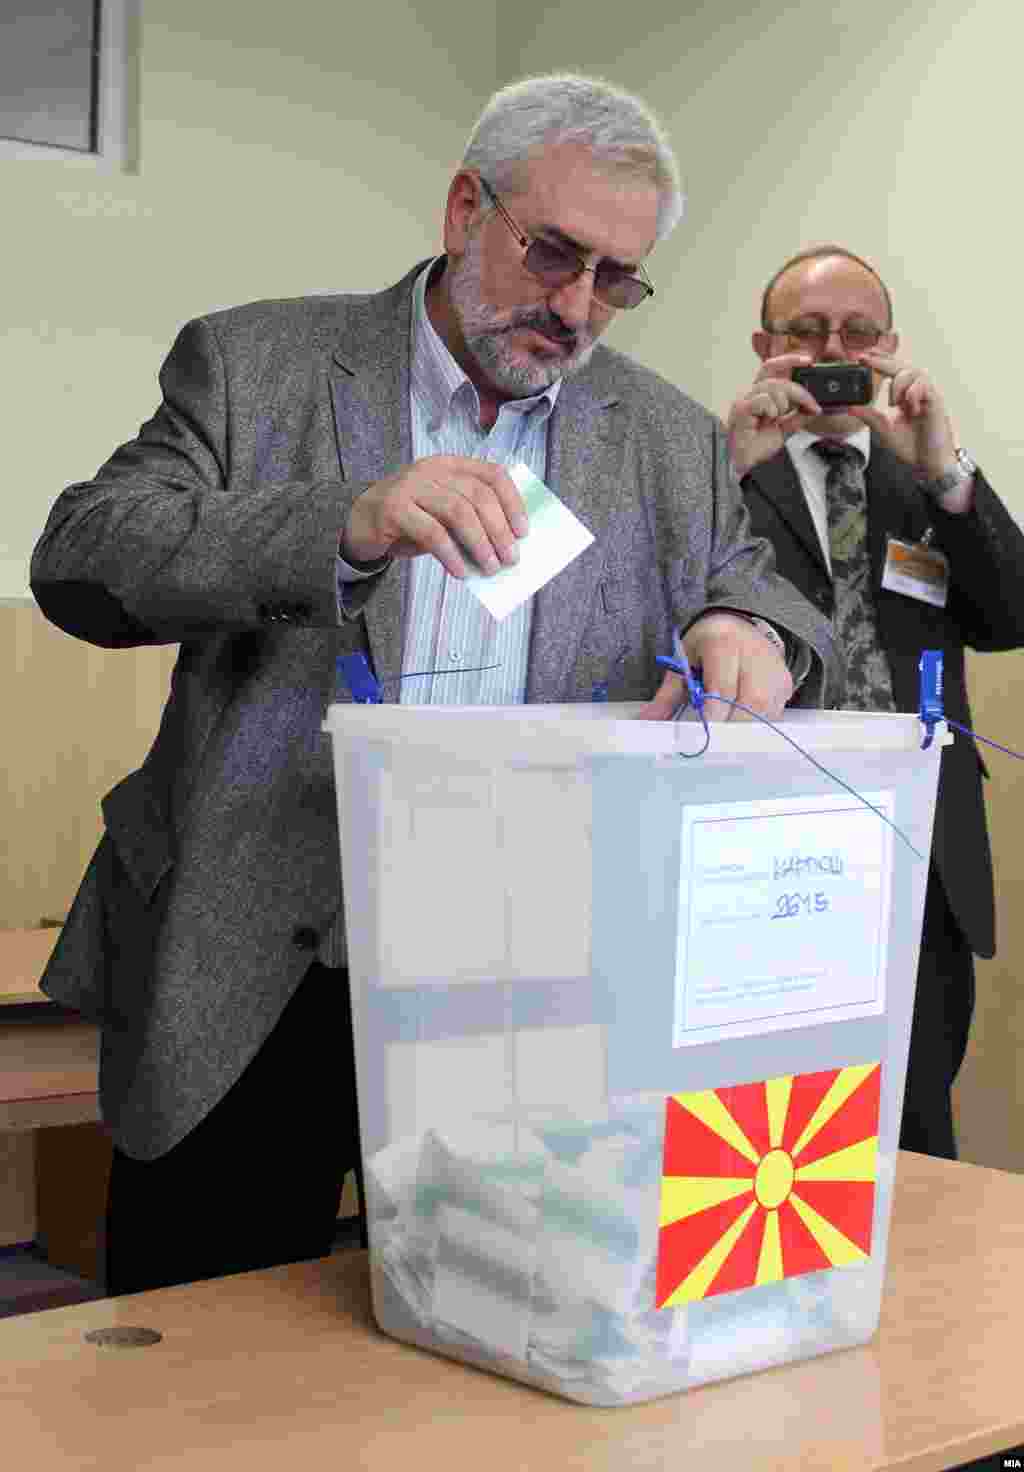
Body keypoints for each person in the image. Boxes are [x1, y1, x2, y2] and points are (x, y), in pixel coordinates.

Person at [30, 75, 839, 1297]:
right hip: (260, 948)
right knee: (206, 1347)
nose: (575, 308)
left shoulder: (664, 437)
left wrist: (750, 625)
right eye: (552, 253)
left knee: (492, 1332)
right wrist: (339, 526)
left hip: (519, 977)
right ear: (466, 208)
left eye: (615, 278)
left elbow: (773, 596)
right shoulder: (258, 362)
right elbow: (84, 556)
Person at [727, 243, 1024, 1159]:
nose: (832, 351)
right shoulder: (724, 469)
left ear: (889, 346)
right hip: (769, 851)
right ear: (764, 346)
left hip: (921, 851)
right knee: (768, 1126)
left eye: (857, 333)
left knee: (918, 1123)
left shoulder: (924, 479)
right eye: (807, 332)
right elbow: (654, 617)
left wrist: (945, 473)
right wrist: (729, 469)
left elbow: (1009, 616)